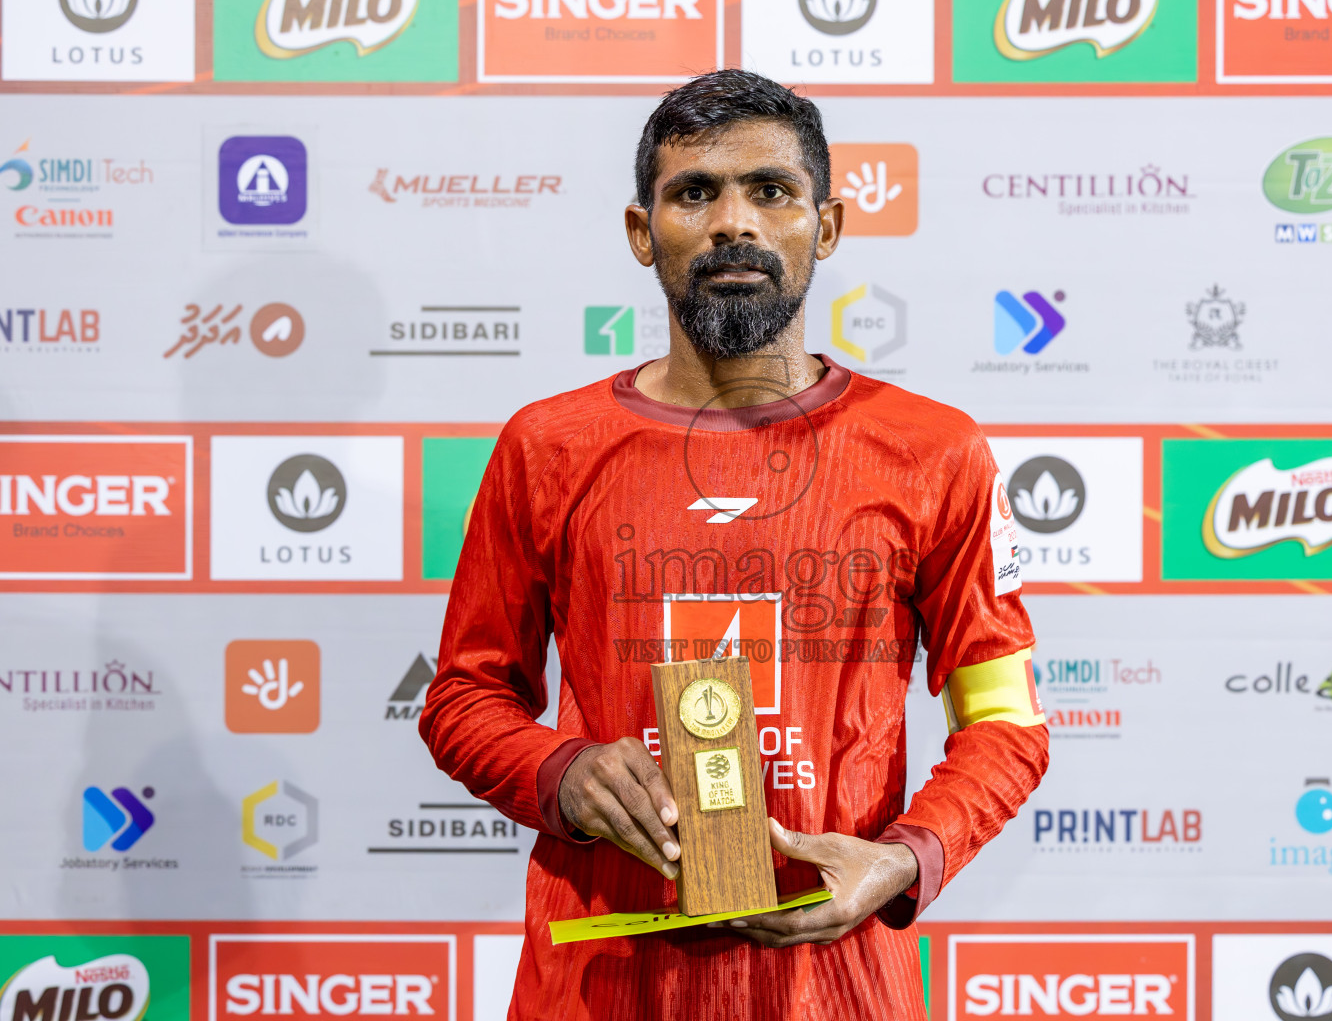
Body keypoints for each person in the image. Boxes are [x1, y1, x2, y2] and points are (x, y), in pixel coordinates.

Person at [420, 69, 1050, 1020]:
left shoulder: (934, 451)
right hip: (599, 985)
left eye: (771, 191)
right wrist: (563, 771)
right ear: (644, 233)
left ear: (826, 226)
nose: (733, 223)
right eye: (694, 192)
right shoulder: (546, 447)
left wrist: (904, 857)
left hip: (835, 991)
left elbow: (1005, 719)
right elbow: (465, 696)